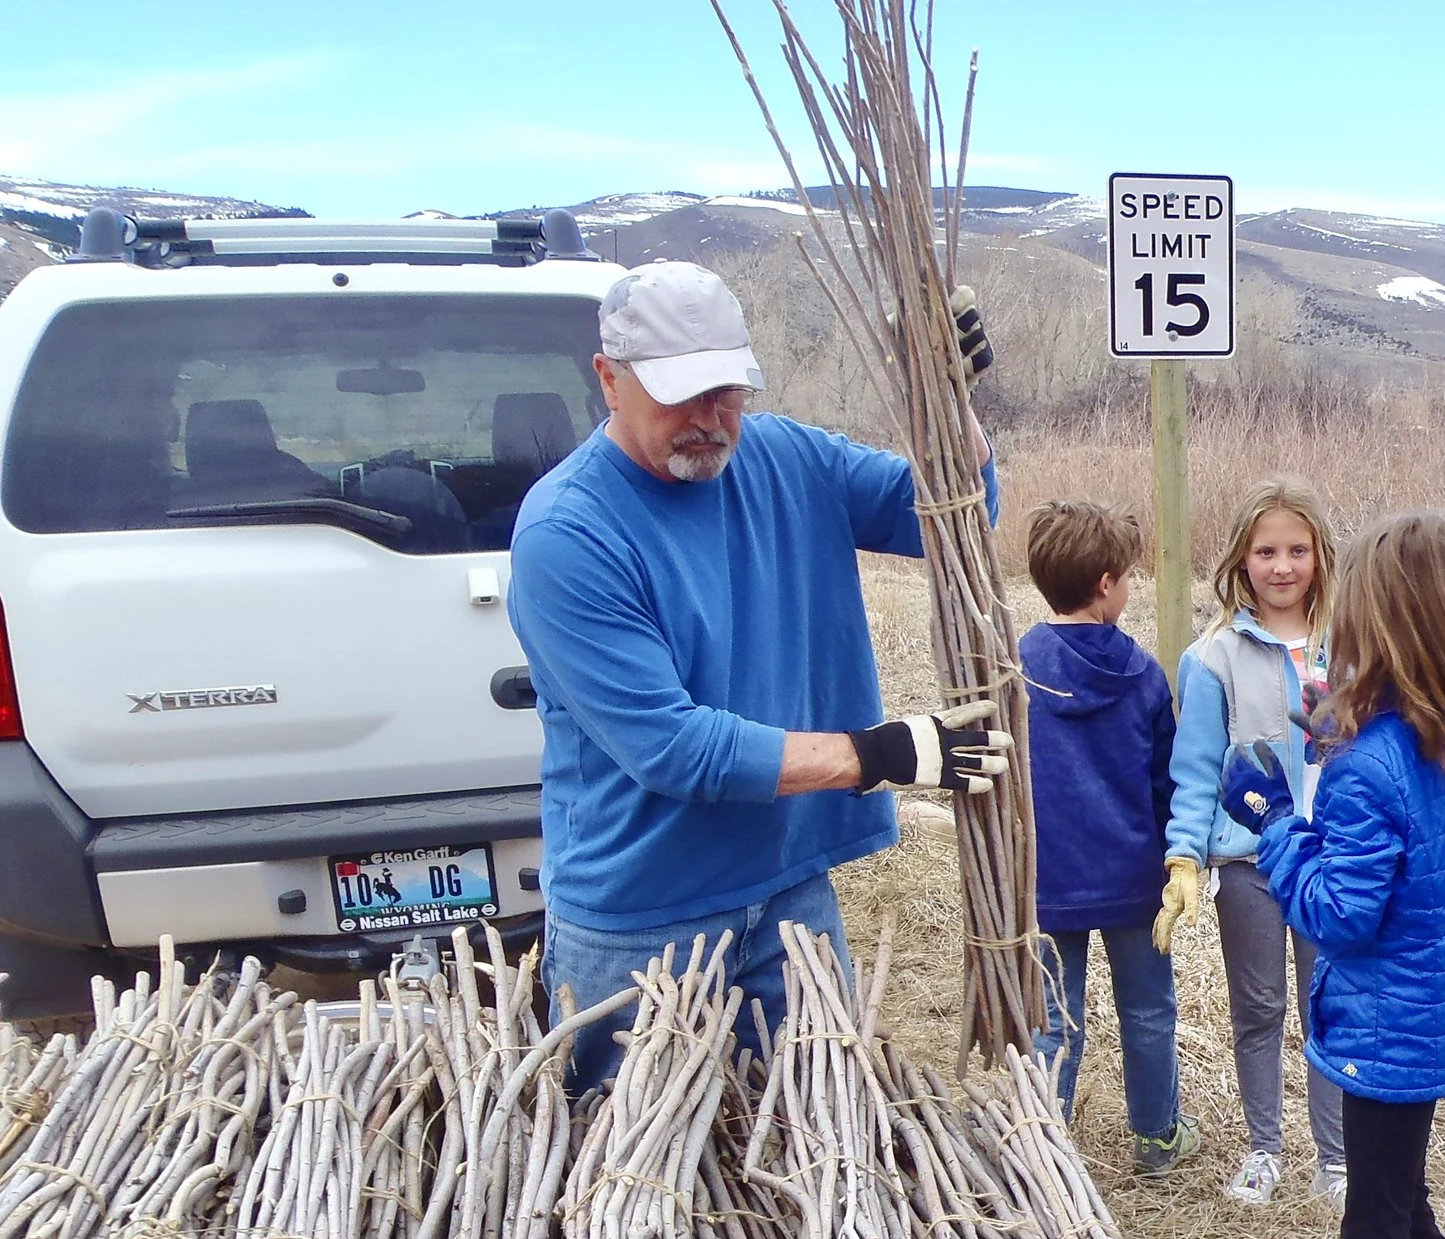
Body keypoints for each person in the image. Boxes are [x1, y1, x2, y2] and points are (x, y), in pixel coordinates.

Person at [508, 261, 1009, 1087]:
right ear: (609, 379)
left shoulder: (782, 458)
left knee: (813, 1137)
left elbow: (954, 513)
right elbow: (676, 749)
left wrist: (948, 404)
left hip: (786, 895)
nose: (709, 420)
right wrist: (878, 753)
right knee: (637, 1181)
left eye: (726, 391)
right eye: (680, 395)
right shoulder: (571, 533)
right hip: (641, 919)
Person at [1218, 511, 1445, 1239]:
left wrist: (1271, 821)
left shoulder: (1368, 767)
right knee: (1405, 1201)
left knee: (1374, 1230)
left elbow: (1340, 914)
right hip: (1429, 1006)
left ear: (1384, 627)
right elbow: (1407, 822)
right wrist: (1343, 726)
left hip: (1381, 1029)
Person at [1158, 478, 1347, 1208]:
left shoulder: (1353, 642)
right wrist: (1184, 856)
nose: (1281, 566)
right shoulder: (1211, 656)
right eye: (1265, 550)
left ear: (1319, 555)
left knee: (1327, 1007)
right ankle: (1263, 1150)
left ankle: (1335, 1162)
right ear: (1241, 558)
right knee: (1260, 1009)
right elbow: (1196, 767)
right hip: (1252, 865)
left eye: (1296, 549)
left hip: (1332, 860)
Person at [1018, 500, 1201, 1177]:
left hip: (1047, 880)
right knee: (1149, 1010)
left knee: (1054, 1021)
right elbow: (1166, 780)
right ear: (1104, 584)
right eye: (1127, 575)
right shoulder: (1146, 674)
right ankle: (1156, 1139)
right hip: (1133, 883)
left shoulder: (1017, 668)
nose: (1131, 587)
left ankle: (1042, 1156)